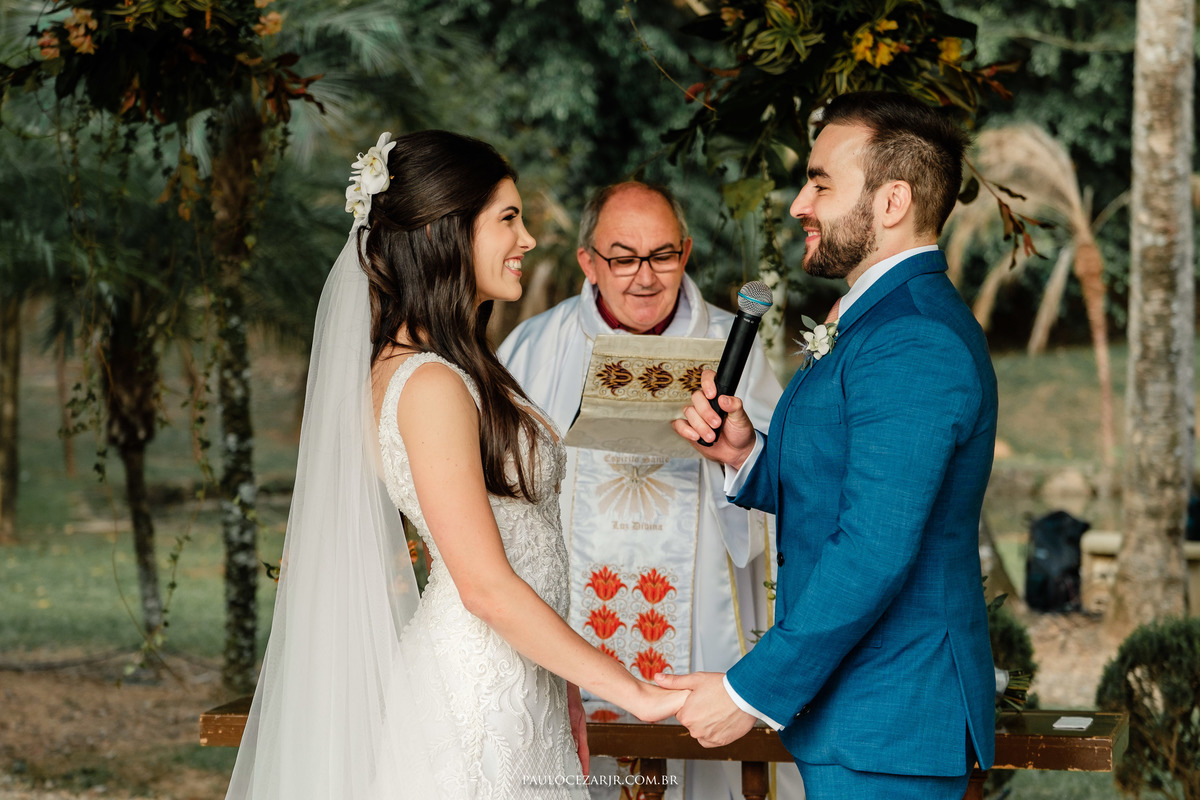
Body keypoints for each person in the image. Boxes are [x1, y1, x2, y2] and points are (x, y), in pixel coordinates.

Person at [224, 131, 686, 800]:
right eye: (508, 218)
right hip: (476, 701)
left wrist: (562, 686)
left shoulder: (456, 365)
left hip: (523, 682)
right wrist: (632, 692)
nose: (528, 238)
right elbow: (485, 586)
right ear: (447, 233)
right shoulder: (429, 384)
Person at [663, 91, 998, 799]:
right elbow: (847, 481)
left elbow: (875, 546)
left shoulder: (913, 338)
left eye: (820, 184)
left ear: (892, 201)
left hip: (890, 718)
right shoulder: (878, 317)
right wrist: (746, 455)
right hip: (861, 717)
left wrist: (749, 691)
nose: (798, 205)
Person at [498, 182, 797, 800]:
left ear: (684, 253)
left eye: (662, 255)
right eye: (623, 258)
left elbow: (782, 478)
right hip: (572, 608)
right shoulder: (533, 347)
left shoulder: (734, 346)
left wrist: (736, 455)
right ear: (588, 262)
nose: (645, 277)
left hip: (699, 612)